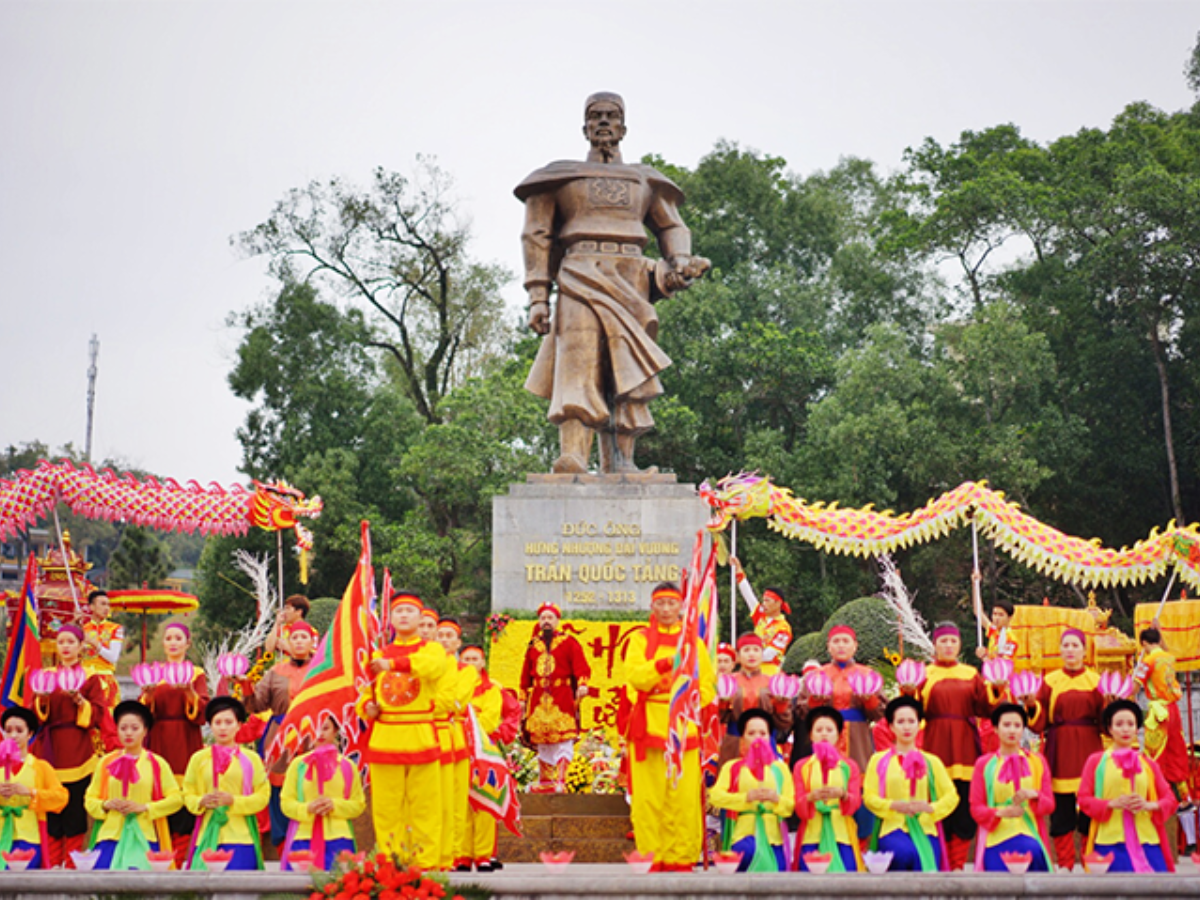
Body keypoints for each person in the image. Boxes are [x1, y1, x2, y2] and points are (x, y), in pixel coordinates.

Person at [516, 92, 710, 474]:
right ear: (584, 127)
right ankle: (573, 455)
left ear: (623, 127)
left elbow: (672, 226)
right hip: (579, 272)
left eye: (611, 116)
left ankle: (622, 463)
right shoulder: (560, 176)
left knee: (627, 369)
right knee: (578, 362)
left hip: (632, 278)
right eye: (595, 116)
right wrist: (538, 295)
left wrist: (681, 261)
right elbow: (536, 234)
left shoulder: (644, 179)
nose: (603, 122)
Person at [623, 582, 716, 871]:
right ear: (652, 606)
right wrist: (663, 664)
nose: (666, 609)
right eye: (660, 603)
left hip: (682, 729)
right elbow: (635, 677)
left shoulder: (693, 643)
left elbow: (707, 687)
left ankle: (681, 857)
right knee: (648, 799)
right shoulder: (639, 639)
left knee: (683, 798)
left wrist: (687, 701)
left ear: (681, 607)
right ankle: (651, 857)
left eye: (671, 603)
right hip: (648, 727)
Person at [357, 591, 449, 870]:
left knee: (425, 808)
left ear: (421, 618)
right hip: (386, 739)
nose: (404, 615)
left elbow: (432, 668)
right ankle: (391, 865)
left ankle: (426, 866)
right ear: (391, 618)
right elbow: (364, 692)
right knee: (386, 810)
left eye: (410, 611)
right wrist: (367, 707)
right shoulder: (377, 654)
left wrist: (394, 664)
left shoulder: (431, 650)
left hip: (421, 736)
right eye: (399, 611)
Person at [911, 621, 996, 870]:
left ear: (959, 645)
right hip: (935, 742)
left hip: (966, 743)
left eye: (953, 641)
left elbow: (986, 708)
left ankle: (958, 863)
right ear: (934, 645)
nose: (948, 646)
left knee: (964, 803)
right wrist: (908, 692)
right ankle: (941, 862)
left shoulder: (971, 674)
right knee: (938, 797)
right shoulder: (924, 674)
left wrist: (997, 687)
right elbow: (913, 711)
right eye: (943, 641)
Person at [32, 623, 117, 868]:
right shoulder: (46, 676)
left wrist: (81, 703)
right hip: (50, 749)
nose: (66, 647)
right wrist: (42, 702)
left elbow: (99, 713)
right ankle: (51, 865)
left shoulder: (90, 677)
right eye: (61, 642)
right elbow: (35, 716)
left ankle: (72, 866)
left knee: (75, 812)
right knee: (51, 811)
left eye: (71, 642)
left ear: (81, 646)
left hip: (79, 748)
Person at [1025, 627, 1105, 870]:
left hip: (1090, 746)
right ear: (1059, 649)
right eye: (1066, 645)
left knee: (1090, 807)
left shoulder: (1096, 681)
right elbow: (1039, 722)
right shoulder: (1050, 681)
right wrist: (1031, 706)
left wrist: (1111, 705)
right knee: (1061, 810)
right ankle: (1065, 864)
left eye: (1075, 645)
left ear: (1084, 650)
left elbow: (1106, 723)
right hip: (1059, 747)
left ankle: (1091, 864)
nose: (1070, 650)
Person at [1078, 700, 1178, 873]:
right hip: (1110, 840)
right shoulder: (1096, 762)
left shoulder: (1148, 764)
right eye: (1119, 724)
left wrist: (1148, 805)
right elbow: (1083, 799)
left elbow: (1170, 799)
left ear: (1137, 729)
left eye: (1130, 724)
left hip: (1147, 840)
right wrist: (1110, 804)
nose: (1125, 729)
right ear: (1109, 729)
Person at [245, 620, 318, 850]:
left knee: (313, 785)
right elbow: (256, 705)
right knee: (279, 789)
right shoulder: (275, 672)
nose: (299, 642)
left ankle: (311, 843)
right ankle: (283, 845)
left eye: (304, 637)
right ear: (288, 642)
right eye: (294, 637)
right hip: (280, 736)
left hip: (314, 735)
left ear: (312, 642)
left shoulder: (322, 669)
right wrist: (246, 687)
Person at [84, 701, 182, 870]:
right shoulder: (106, 762)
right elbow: (90, 799)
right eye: (123, 728)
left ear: (145, 731)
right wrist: (105, 805)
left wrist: (145, 807)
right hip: (110, 835)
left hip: (143, 835)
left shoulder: (156, 763)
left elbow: (177, 799)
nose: (128, 733)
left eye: (135, 728)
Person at [863, 696, 957, 872]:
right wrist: (893, 805)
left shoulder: (932, 762)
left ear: (919, 725)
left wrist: (930, 808)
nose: (906, 727)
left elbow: (951, 796)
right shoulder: (878, 760)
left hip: (925, 827)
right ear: (891, 726)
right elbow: (869, 796)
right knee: (904, 853)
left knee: (925, 858)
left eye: (911, 721)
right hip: (892, 826)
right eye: (900, 722)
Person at [142, 622, 208, 866]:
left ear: (187, 643)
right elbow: (142, 713)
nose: (173, 642)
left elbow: (203, 709)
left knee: (184, 798)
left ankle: (181, 858)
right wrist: (148, 696)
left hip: (185, 736)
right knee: (159, 794)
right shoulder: (153, 673)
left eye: (178, 638)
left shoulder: (196, 673)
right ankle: (161, 857)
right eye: (168, 638)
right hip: (158, 736)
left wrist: (190, 693)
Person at [182, 696, 270, 871]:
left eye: (229, 722)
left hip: (241, 837)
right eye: (217, 722)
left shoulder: (251, 759)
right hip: (207, 835)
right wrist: (200, 801)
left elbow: (263, 795)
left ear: (239, 725)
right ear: (210, 726)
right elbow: (187, 792)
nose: (223, 727)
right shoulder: (198, 758)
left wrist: (233, 801)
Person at [969, 703, 1054, 872]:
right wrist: (1000, 813)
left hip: (1029, 832)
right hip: (995, 837)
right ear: (995, 728)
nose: (1012, 730)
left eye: (1017, 725)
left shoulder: (1037, 762)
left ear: (1023, 729)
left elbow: (1049, 805)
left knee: (1033, 851)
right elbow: (976, 808)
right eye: (1006, 725)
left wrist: (1034, 795)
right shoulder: (984, 764)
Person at [710, 708, 794, 872]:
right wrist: (745, 798)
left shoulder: (780, 769)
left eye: (763, 733)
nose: (757, 737)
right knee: (746, 853)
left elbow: (790, 805)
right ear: (743, 738)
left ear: (769, 737)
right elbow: (715, 796)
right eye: (751, 733)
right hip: (744, 835)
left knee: (779, 872)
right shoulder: (732, 767)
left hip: (773, 838)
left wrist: (775, 799)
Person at [519, 602, 590, 792]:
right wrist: (522, 698)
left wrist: (582, 684)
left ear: (557, 621)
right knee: (542, 741)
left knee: (563, 738)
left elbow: (581, 666)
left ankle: (561, 780)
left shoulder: (569, 642)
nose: (546, 621)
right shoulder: (533, 645)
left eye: (550, 618)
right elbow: (525, 675)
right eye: (543, 618)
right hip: (538, 700)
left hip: (562, 697)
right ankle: (546, 783)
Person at [279, 716, 365, 871]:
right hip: (303, 838)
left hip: (339, 839)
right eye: (315, 728)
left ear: (335, 730)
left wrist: (334, 805)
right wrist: (307, 808)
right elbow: (286, 803)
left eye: (325, 728)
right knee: (299, 885)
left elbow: (358, 804)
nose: (320, 733)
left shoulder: (347, 766)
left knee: (339, 884)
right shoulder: (298, 765)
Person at [792, 706, 863, 873]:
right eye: (818, 730)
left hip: (841, 833)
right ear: (810, 735)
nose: (824, 734)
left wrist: (843, 795)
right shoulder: (802, 766)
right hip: (811, 832)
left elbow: (856, 802)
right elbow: (797, 803)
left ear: (838, 735)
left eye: (829, 730)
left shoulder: (849, 766)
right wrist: (810, 797)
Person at [435, 616, 479, 871]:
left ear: (458, 642)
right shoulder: (428, 667)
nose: (444, 640)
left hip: (453, 736)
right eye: (439, 635)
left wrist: (429, 705)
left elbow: (457, 702)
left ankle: (453, 852)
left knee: (455, 799)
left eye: (448, 636)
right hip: (427, 734)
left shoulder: (466, 671)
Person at [0, 706, 68, 870]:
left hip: (30, 836)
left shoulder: (41, 767)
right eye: (8, 731)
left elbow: (61, 798)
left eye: (19, 730)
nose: (13, 735)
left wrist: (31, 792)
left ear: (30, 734)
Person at [460, 643, 505, 872]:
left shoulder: (492, 690)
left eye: (474, 659)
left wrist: (468, 726)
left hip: (483, 750)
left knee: (484, 803)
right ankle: (462, 854)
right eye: (466, 659)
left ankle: (483, 854)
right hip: (458, 748)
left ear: (483, 663)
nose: (470, 663)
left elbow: (490, 719)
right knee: (461, 803)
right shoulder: (454, 687)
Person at [717, 634, 791, 766]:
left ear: (762, 655)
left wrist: (781, 705)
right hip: (734, 744)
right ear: (738, 656)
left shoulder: (773, 683)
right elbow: (718, 718)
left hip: (765, 742)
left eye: (756, 650)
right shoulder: (728, 682)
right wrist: (722, 704)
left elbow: (785, 722)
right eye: (746, 650)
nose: (751, 654)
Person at [1135, 627, 1189, 788]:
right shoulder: (1169, 657)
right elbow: (1164, 647)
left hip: (1159, 712)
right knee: (1176, 747)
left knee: (1155, 750)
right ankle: (1182, 791)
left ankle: (1156, 789)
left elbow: (1135, 687)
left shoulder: (1147, 662)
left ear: (1144, 643)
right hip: (1173, 709)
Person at [81, 590, 124, 708]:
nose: (107, 608)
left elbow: (113, 657)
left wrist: (96, 645)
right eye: (102, 604)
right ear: (91, 607)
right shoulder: (83, 629)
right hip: (85, 678)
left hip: (105, 679)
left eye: (108, 605)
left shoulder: (115, 629)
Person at [752, 588, 793, 676]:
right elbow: (750, 598)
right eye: (763, 600)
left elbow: (769, 656)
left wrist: (746, 658)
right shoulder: (761, 618)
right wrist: (741, 581)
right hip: (754, 669)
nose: (763, 604)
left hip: (771, 673)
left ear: (778, 603)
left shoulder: (784, 628)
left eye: (767, 601)